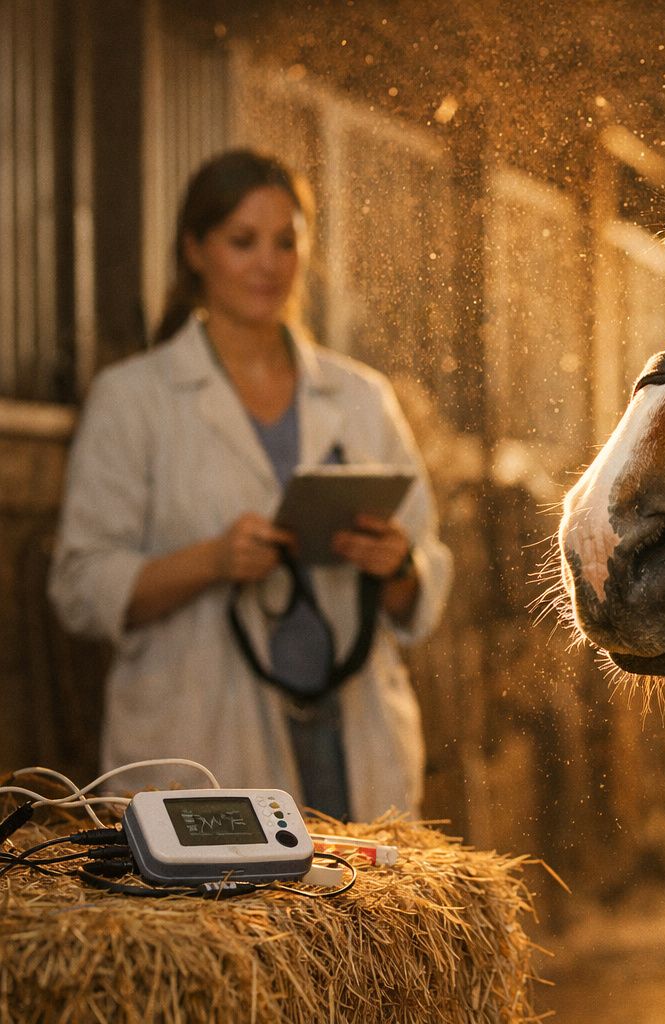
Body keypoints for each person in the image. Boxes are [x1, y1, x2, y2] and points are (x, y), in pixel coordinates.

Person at [49, 150, 452, 820]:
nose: (268, 264)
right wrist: (211, 561)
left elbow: (428, 564)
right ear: (195, 251)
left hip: (348, 733)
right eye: (243, 242)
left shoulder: (360, 398)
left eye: (285, 242)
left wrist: (398, 567)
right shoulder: (134, 401)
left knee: (352, 910)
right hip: (202, 736)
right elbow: (80, 587)